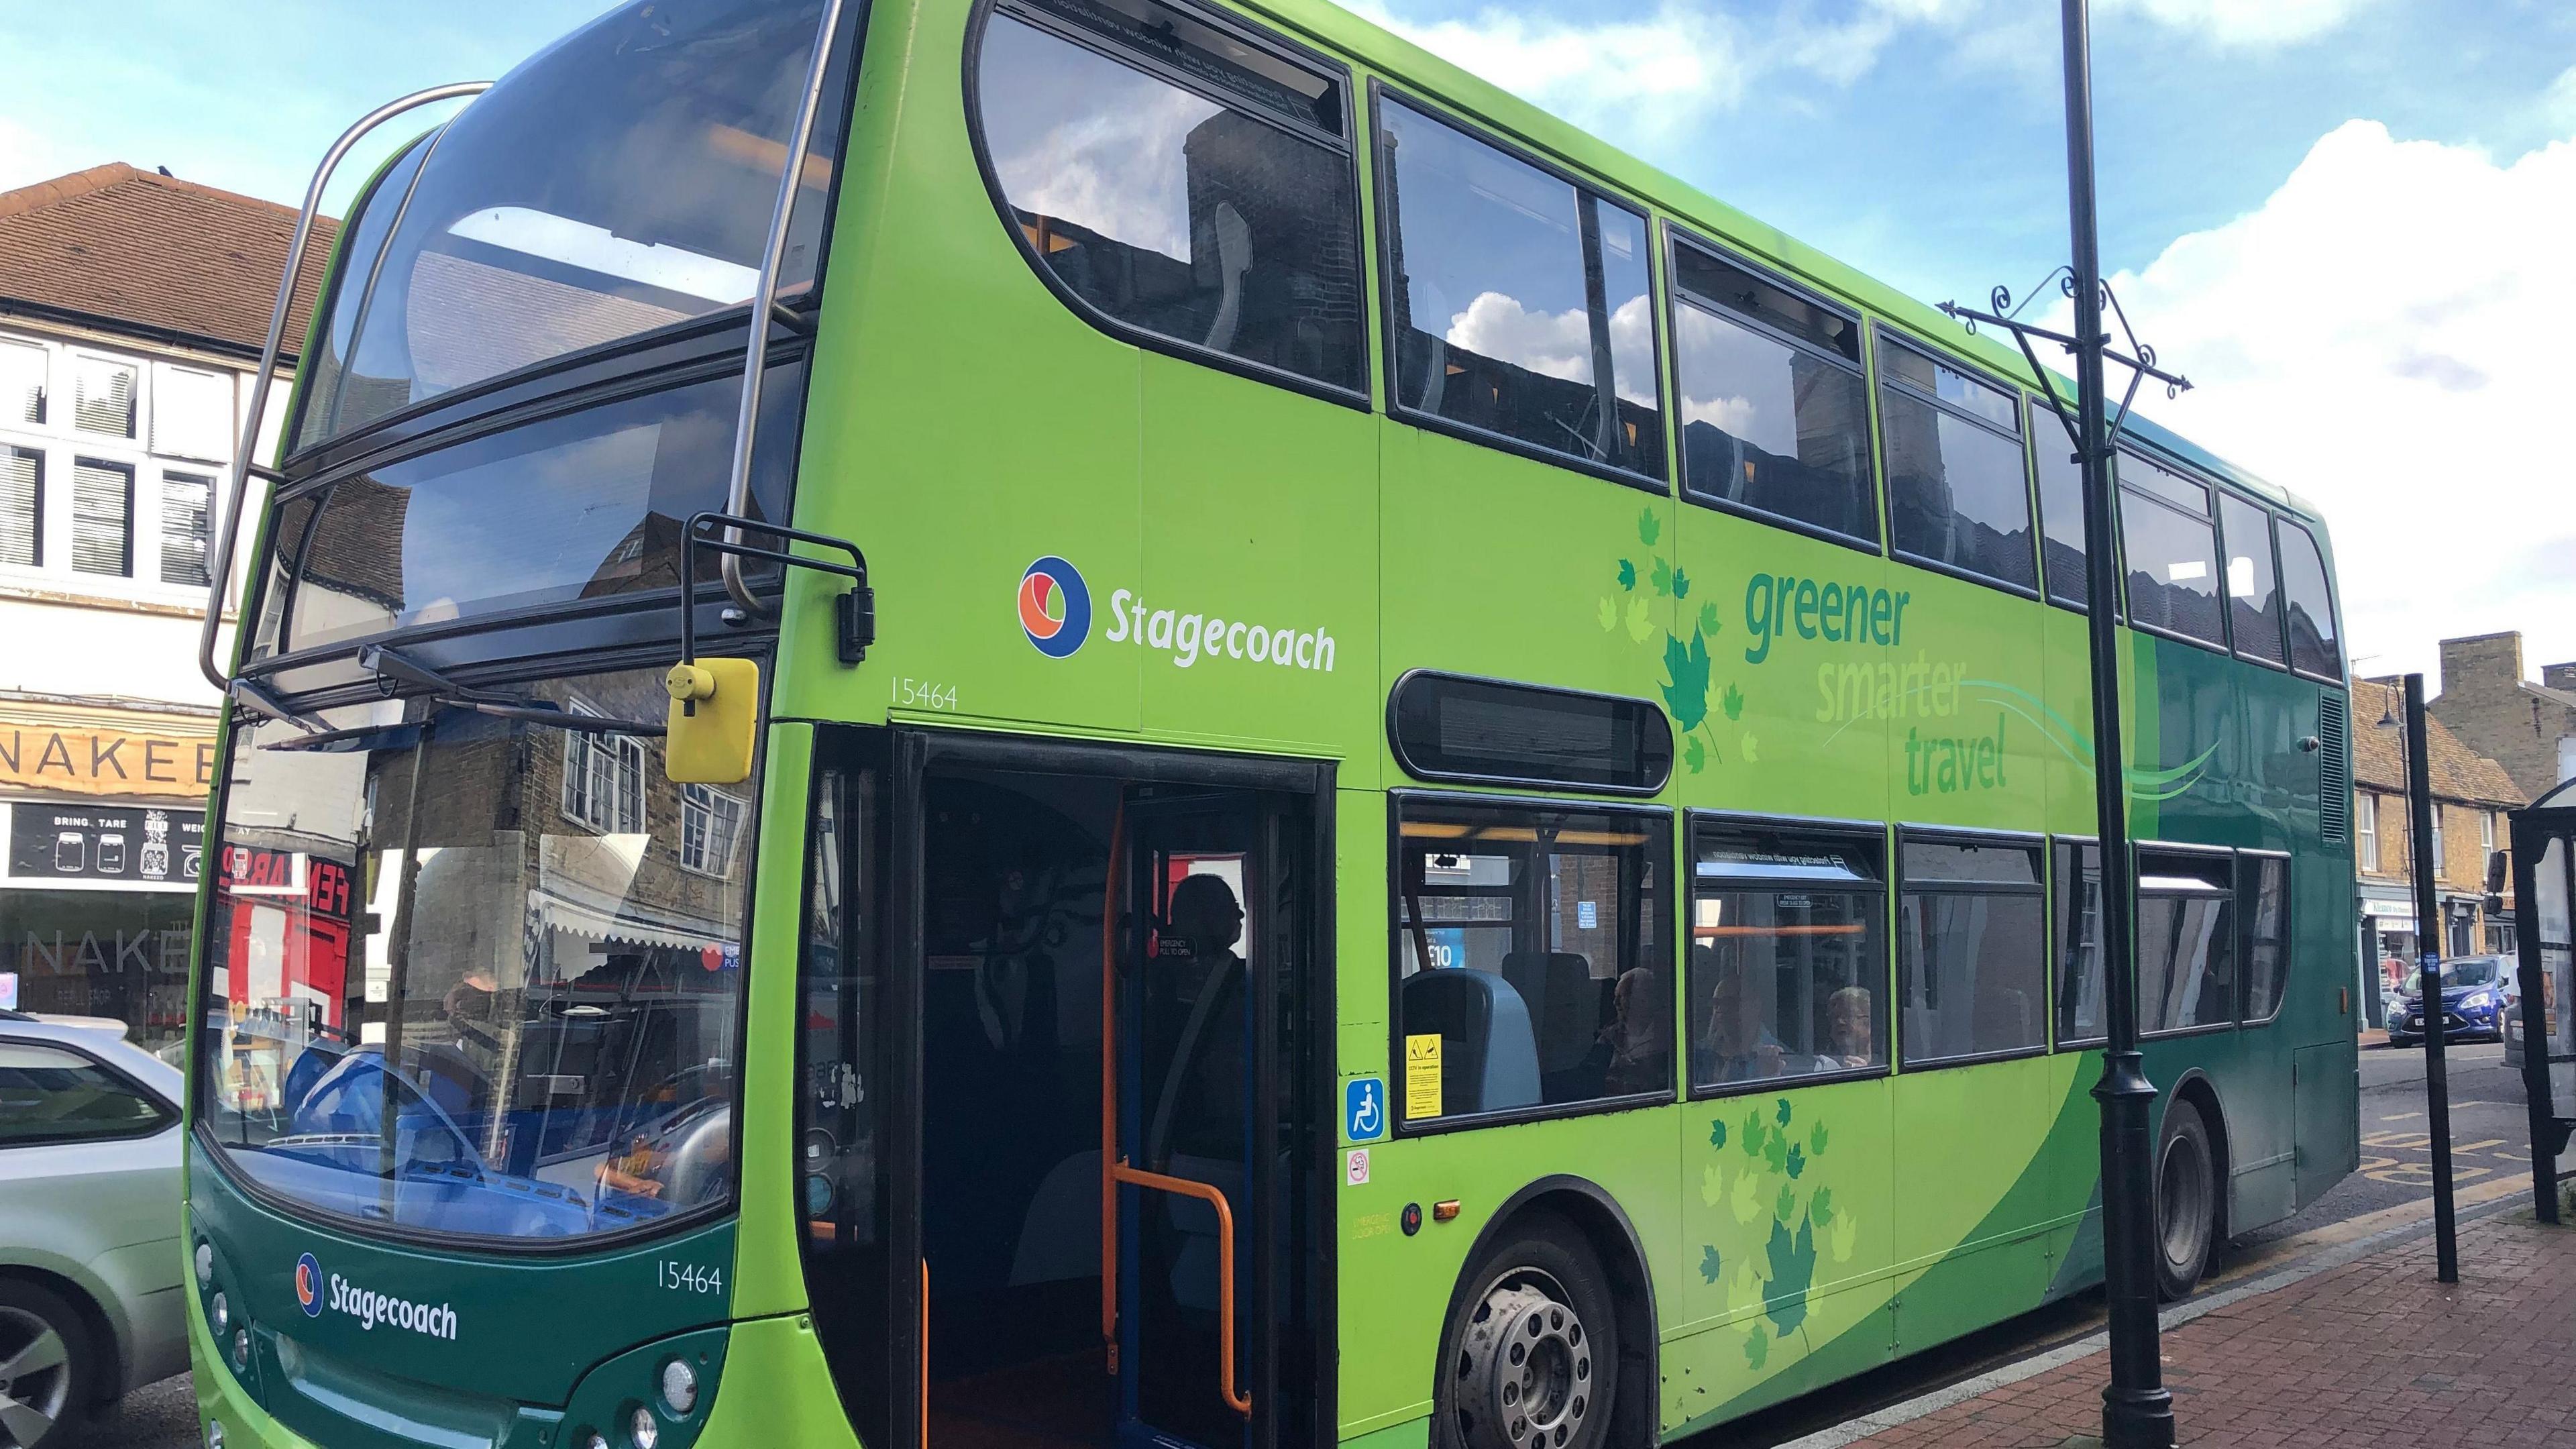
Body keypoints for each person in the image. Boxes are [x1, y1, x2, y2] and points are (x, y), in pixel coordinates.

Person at [1693, 945, 1788, 1085]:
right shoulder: (1697, 1054)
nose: (1721, 1010)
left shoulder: (1776, 1057)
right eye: (1716, 1003)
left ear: (1756, 1007)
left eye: (1731, 1003)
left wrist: (1770, 1074)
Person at [1601, 965, 1670, 1095]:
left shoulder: (1668, 1038)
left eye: (1623, 996)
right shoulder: (1608, 1036)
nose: (1615, 1003)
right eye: (1616, 996)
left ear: (1644, 999)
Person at [1819, 985, 1876, 1069]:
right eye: (1834, 1017)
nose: (1840, 1022)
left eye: (1847, 1015)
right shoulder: (1822, 1063)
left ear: (1868, 1020)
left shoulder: (1888, 1059)